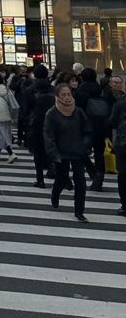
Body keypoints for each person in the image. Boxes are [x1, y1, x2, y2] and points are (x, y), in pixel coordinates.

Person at [44, 82, 93, 222]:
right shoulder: (52, 113)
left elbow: (88, 130)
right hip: (61, 153)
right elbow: (48, 135)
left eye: (69, 94)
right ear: (57, 97)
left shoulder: (78, 112)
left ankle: (79, 211)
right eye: (63, 95)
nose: (67, 98)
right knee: (62, 177)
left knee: (80, 182)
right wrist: (53, 153)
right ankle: (55, 194)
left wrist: (85, 145)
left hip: (78, 151)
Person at [75, 67, 110, 191]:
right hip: (101, 125)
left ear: (82, 77)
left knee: (81, 151)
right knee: (99, 153)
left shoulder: (80, 91)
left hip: (86, 127)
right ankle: (99, 178)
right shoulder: (101, 90)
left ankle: (92, 172)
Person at [24, 65, 55, 187]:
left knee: (37, 151)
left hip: (36, 123)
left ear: (34, 75)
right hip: (52, 122)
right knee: (52, 148)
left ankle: (40, 179)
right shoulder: (53, 89)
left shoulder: (30, 90)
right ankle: (54, 169)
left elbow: (26, 110)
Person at [109, 89, 126, 215]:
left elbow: (112, 122)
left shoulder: (120, 103)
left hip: (123, 142)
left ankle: (125, 205)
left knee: (123, 174)